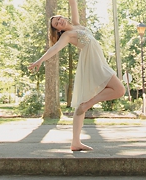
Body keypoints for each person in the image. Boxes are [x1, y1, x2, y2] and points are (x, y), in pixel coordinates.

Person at [29, 14, 127, 152]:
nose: (59, 21)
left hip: (99, 62)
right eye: (56, 24)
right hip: (93, 64)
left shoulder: (77, 24)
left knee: (85, 102)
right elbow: (54, 49)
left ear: (63, 17)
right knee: (120, 90)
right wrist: (39, 61)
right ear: (58, 30)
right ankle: (87, 104)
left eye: (58, 18)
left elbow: (73, 1)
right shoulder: (67, 35)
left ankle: (75, 142)